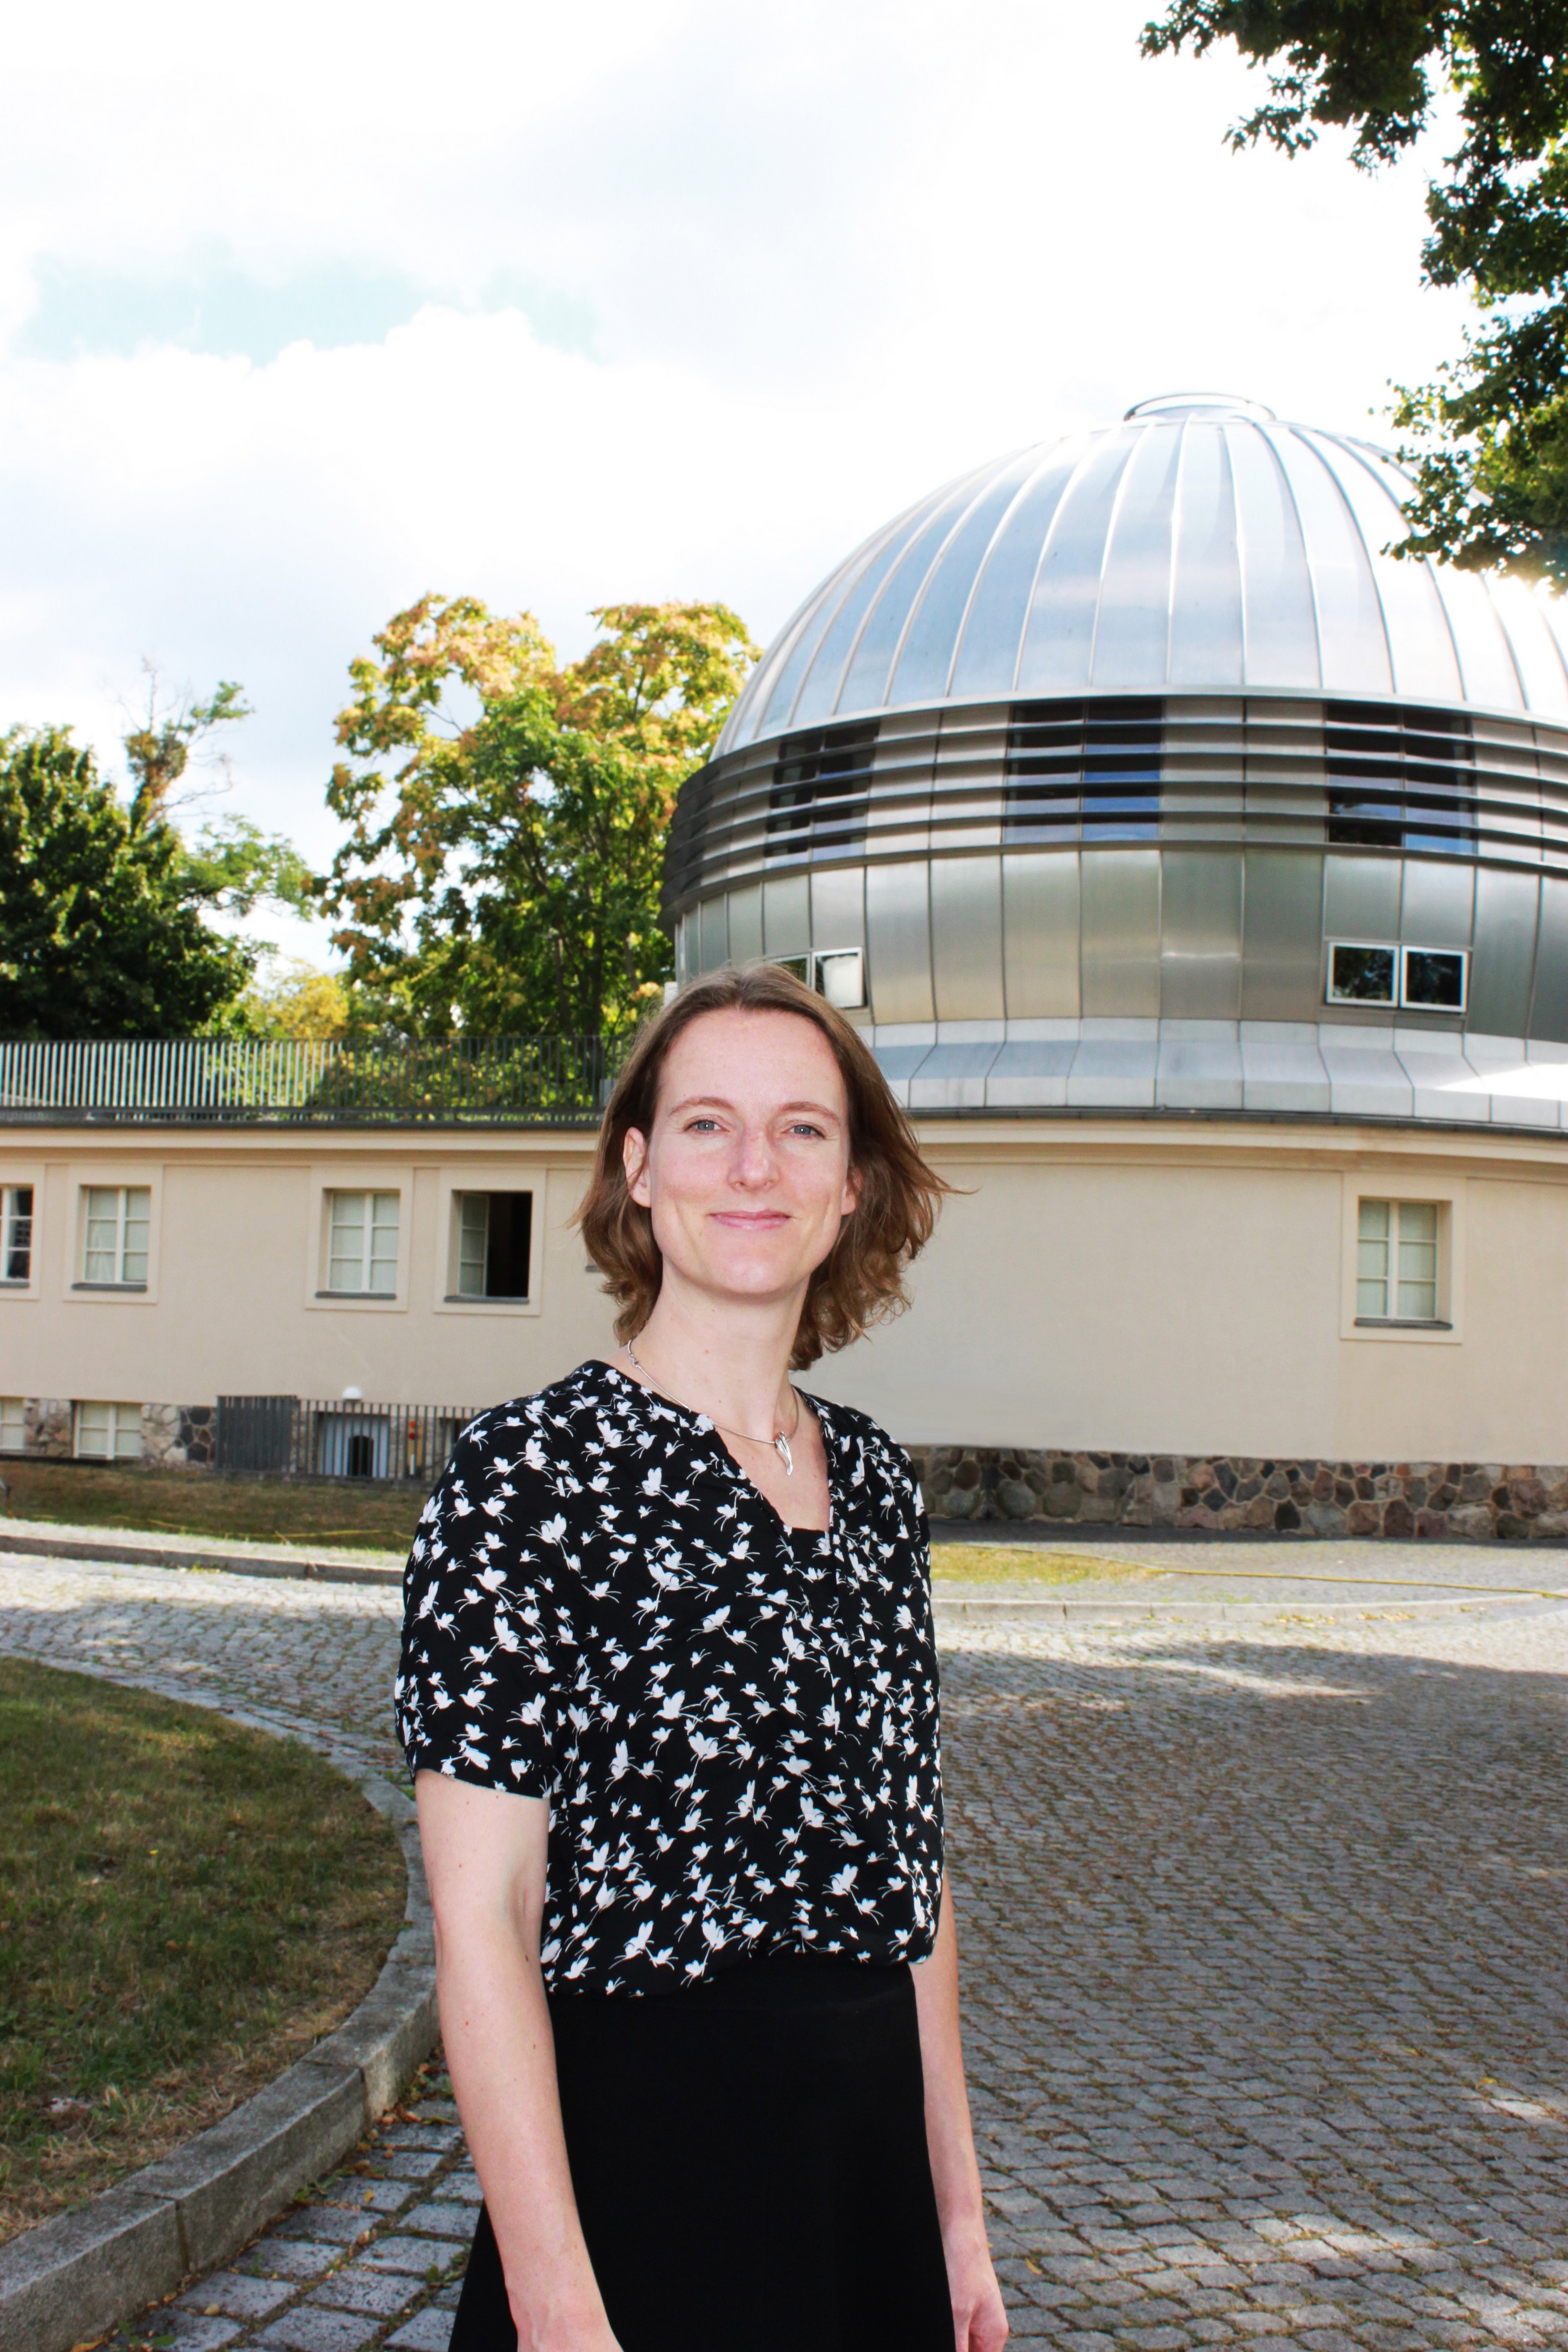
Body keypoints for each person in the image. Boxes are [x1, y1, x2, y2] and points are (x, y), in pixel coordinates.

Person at [396, 961, 1008, 2352]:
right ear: (637, 1166)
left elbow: (913, 1884)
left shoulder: (876, 1485)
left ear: (851, 1186)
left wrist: (957, 2219)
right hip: (641, 2183)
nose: (752, 1167)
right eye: (706, 1124)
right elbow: (483, 1915)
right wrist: (556, 2302)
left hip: (865, 2193)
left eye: (801, 1128)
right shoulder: (528, 1477)